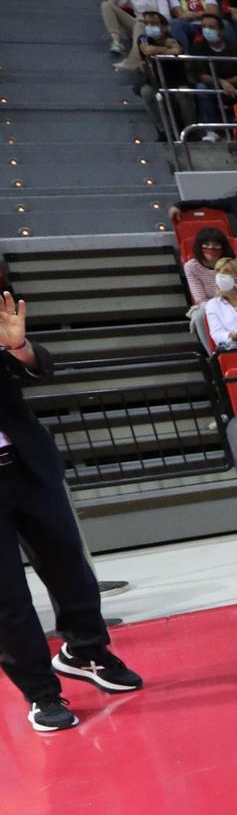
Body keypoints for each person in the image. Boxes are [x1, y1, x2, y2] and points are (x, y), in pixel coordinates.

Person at [0, 292, 144, 733]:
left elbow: (40, 365)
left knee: (69, 567)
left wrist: (17, 347)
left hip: (25, 465)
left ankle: (85, 651)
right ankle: (41, 694)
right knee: (7, 597)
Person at [181, 228, 235, 308]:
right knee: (198, 316)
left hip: (235, 303)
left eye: (216, 245)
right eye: (206, 244)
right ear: (199, 247)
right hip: (209, 306)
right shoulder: (191, 267)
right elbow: (200, 300)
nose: (211, 248)